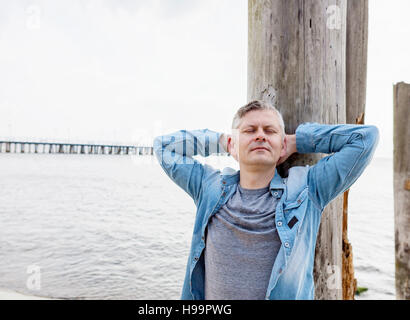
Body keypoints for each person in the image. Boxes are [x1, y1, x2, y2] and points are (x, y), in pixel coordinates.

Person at [153, 100, 379, 300]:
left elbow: (365, 139)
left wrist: (298, 141)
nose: (260, 135)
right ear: (233, 144)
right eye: (250, 130)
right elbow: (163, 146)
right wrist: (222, 140)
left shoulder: (308, 189)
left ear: (282, 145)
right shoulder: (208, 187)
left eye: (269, 131)